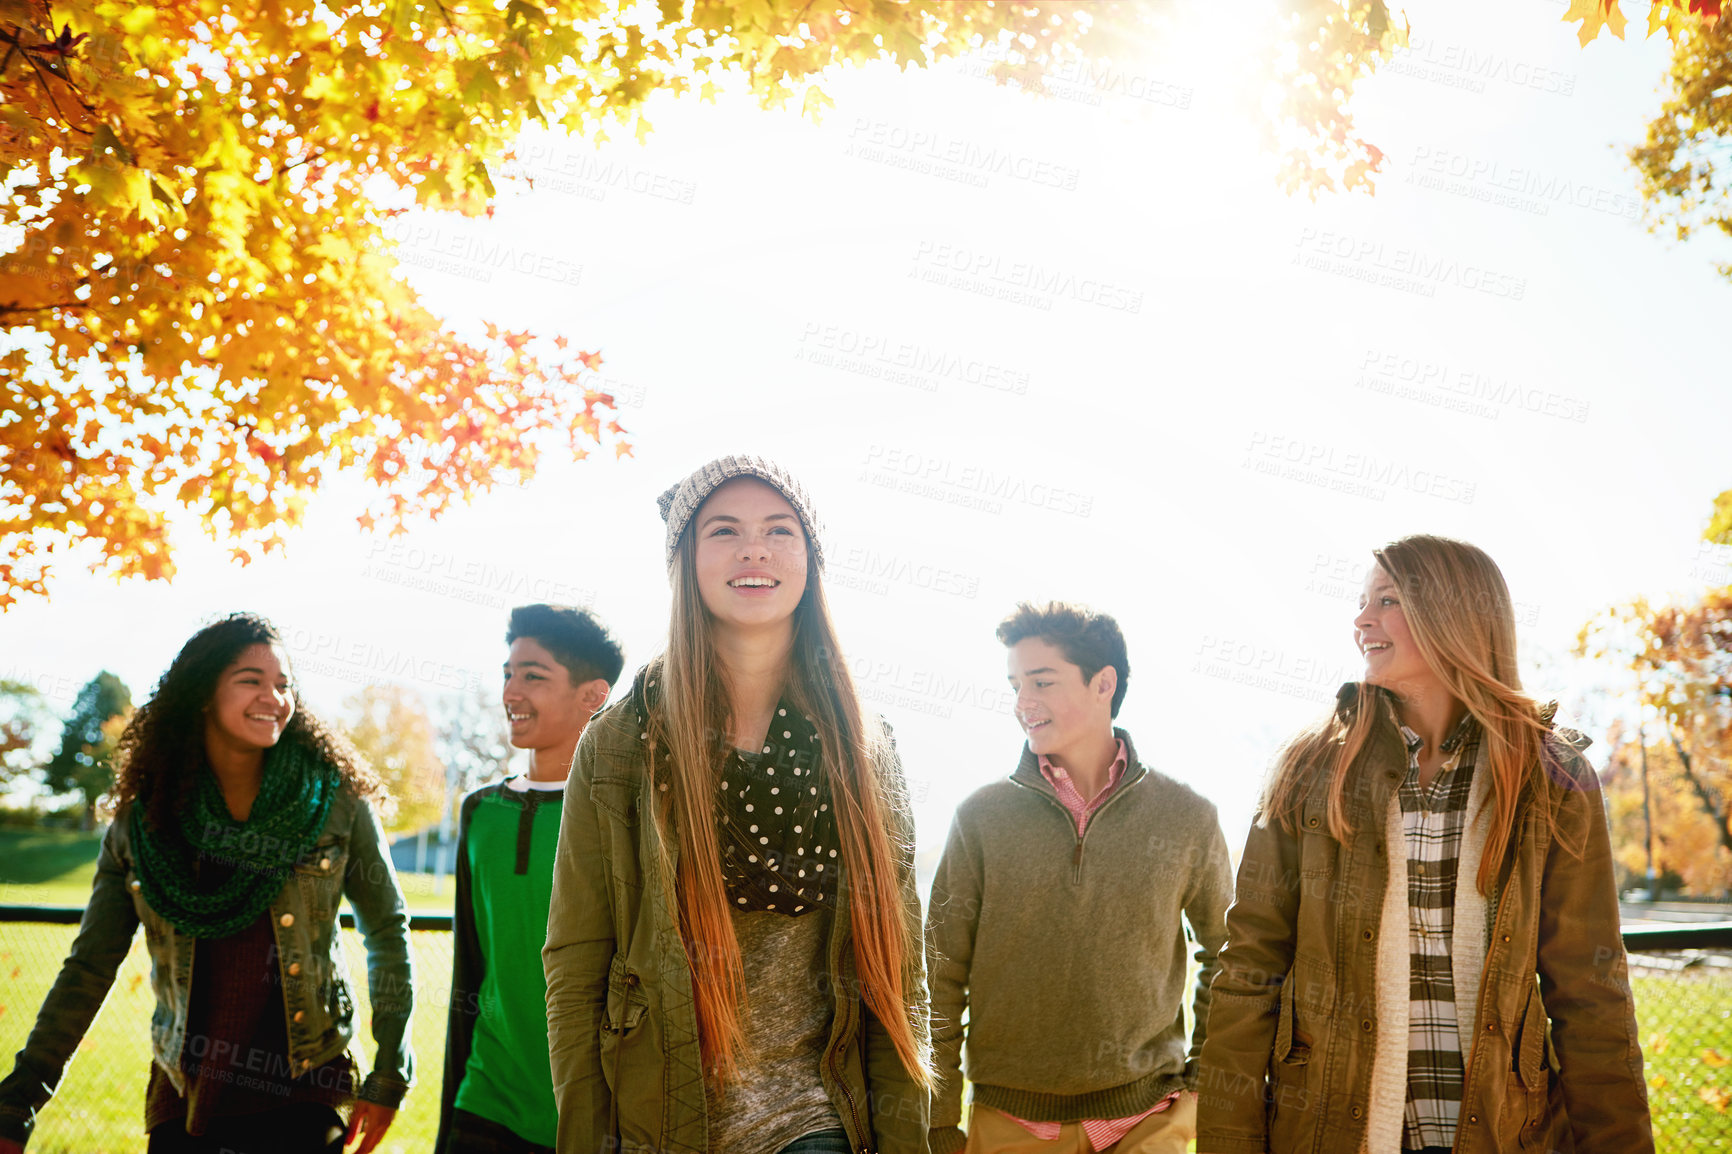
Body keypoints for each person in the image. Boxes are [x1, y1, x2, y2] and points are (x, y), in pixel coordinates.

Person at [1196, 535, 1652, 1154]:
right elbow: (1249, 972)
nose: (1361, 620)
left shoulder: (1551, 777)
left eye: (1386, 600)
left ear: (1453, 614)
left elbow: (1591, 991)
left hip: (1502, 1134)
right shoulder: (1310, 771)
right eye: (1362, 602)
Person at [543, 455, 931, 1154]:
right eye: (723, 530)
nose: (755, 548)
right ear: (685, 563)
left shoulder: (864, 744)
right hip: (663, 1123)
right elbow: (575, 967)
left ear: (809, 561)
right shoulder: (622, 744)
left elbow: (901, 980)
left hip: (815, 1120)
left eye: (780, 530)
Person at [0, 613, 413, 1154]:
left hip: (309, 1083)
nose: (274, 697)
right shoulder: (143, 825)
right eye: (251, 680)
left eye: (284, 685)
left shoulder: (334, 803)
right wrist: (22, 1096)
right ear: (202, 694)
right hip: (186, 1089)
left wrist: (389, 1071)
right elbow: (91, 964)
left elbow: (386, 928)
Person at [925, 602, 1233, 1154]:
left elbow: (1229, 953)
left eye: (1042, 681)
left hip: (1150, 1121)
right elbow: (940, 978)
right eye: (1016, 684)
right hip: (1008, 1125)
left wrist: (1201, 1085)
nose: (1023, 703)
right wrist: (940, 1122)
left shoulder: (1186, 816)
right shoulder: (981, 818)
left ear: (1104, 684)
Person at [438, 603, 625, 1154]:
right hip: (485, 1103)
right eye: (508, 674)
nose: (510, 692)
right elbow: (470, 973)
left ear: (593, 695)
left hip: (590, 1118)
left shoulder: (624, 816)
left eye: (533, 676)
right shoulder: (480, 813)